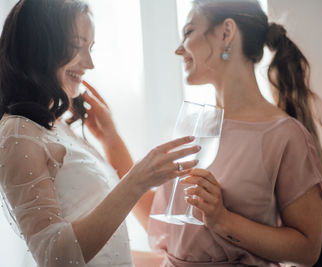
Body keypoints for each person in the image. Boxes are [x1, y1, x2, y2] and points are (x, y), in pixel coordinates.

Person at [139, 0, 322, 266]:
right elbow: (176, 233)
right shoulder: (194, 128)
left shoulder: (284, 135)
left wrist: (223, 219)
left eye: (188, 32)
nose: (179, 49)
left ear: (226, 33)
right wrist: (108, 141)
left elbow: (307, 249)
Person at [0, 0, 200, 266]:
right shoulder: (17, 133)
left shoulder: (57, 126)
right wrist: (136, 181)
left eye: (90, 48)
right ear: (38, 45)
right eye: (76, 45)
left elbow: (108, 253)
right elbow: (54, 257)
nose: (90, 63)